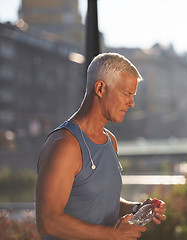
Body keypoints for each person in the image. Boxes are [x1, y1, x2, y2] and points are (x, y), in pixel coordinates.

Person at [36, 53, 166, 240]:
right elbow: (47, 222)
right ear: (100, 88)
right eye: (126, 94)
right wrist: (112, 235)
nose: (131, 103)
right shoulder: (64, 145)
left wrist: (138, 208)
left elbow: (101, 202)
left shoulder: (110, 141)